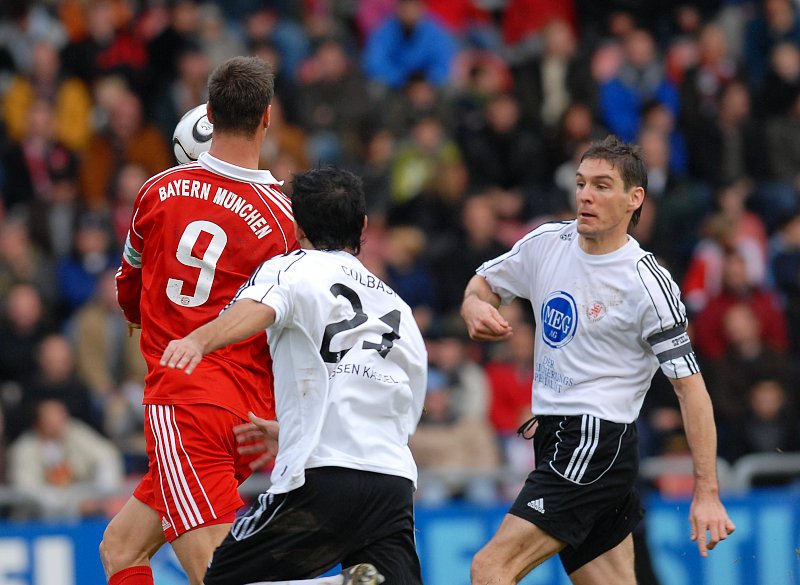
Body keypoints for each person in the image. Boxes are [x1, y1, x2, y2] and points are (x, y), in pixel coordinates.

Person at [461, 135, 735, 585]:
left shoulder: (646, 282)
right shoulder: (547, 242)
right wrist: (474, 305)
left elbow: (691, 389)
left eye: (603, 186)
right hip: (555, 437)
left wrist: (706, 492)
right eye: (582, 182)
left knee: (490, 568)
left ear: (634, 199)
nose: (586, 194)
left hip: (593, 439)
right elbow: (483, 284)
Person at [161, 167, 427, 585]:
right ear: (363, 226)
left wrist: (199, 340)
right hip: (392, 482)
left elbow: (258, 310)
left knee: (220, 580)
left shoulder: (292, 269)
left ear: (297, 226)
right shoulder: (399, 308)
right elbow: (399, 405)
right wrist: (294, 430)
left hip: (319, 476)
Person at [99, 56, 299, 585]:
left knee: (212, 568)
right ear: (267, 119)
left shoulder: (156, 193)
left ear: (208, 113)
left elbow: (128, 292)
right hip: (248, 413)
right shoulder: (283, 220)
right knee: (121, 548)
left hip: (186, 401)